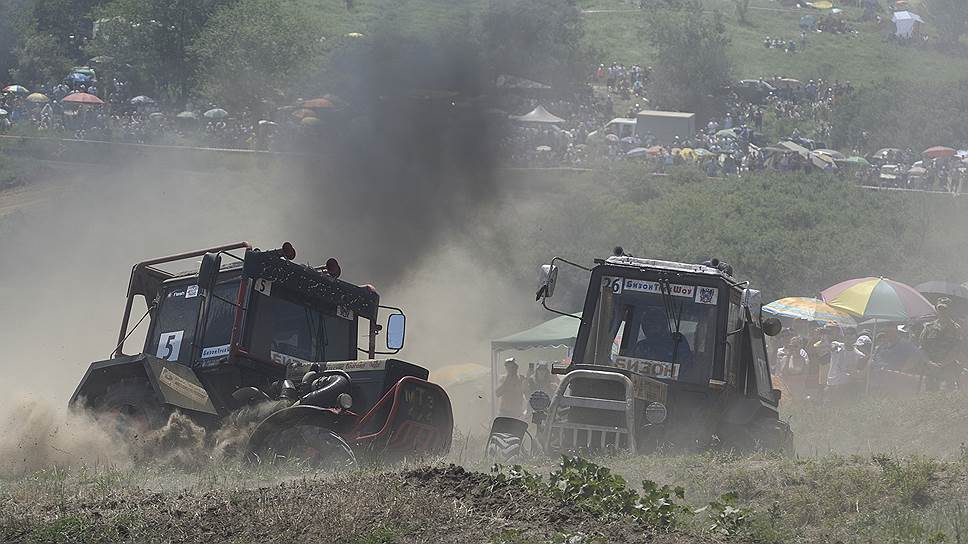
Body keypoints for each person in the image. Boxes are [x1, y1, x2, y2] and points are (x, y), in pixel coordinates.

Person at [920, 300, 963, 391]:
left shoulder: (955, 328)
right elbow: (922, 348)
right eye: (940, 309)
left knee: (948, 397)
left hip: (948, 368)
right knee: (929, 397)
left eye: (945, 309)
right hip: (930, 368)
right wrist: (930, 363)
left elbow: (957, 349)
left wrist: (942, 364)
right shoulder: (928, 327)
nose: (942, 311)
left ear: (950, 310)